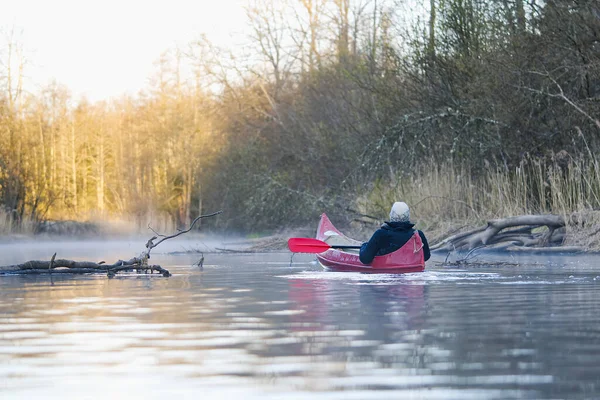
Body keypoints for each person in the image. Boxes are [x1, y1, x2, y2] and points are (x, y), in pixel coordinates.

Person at [359, 201, 430, 264]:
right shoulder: (418, 234)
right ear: (407, 216)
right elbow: (426, 257)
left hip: (385, 273)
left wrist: (364, 246)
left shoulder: (381, 234)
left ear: (392, 215)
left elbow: (365, 259)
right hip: (411, 273)